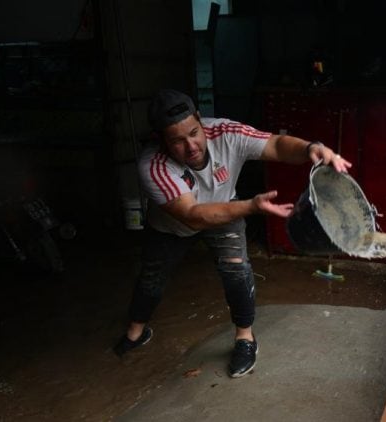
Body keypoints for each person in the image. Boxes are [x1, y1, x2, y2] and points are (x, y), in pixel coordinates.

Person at [113, 89, 351, 378]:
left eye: (194, 133)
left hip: (226, 211)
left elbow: (275, 144)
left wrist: (309, 148)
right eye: (177, 140)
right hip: (173, 225)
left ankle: (245, 338)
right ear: (161, 140)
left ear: (201, 121)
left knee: (236, 271)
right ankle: (136, 331)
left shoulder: (226, 132)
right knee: (152, 277)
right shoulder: (152, 165)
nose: (191, 146)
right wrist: (250, 206)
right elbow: (192, 216)